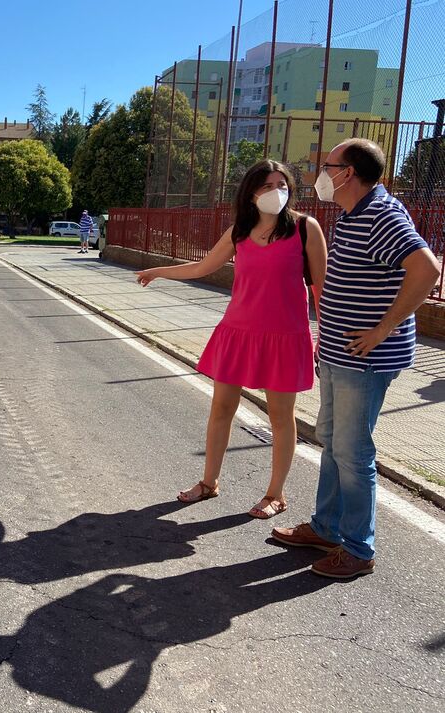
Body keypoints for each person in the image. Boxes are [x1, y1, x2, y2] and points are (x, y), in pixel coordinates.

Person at [273, 139, 441, 579]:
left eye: (326, 165)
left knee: (352, 450)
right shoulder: (353, 213)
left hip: (364, 359)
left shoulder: (382, 215)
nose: (319, 172)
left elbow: (427, 269)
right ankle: (327, 528)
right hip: (338, 352)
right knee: (331, 439)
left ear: (347, 173)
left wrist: (383, 329)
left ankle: (358, 549)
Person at [137, 160, 328, 519]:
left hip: (286, 337)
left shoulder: (305, 228)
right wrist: (157, 271)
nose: (277, 192)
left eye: (282, 184)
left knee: (280, 418)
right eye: (267, 185)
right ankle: (209, 483)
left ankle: (276, 494)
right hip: (238, 332)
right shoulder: (240, 231)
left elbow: (322, 287)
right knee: (221, 409)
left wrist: (325, 336)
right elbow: (201, 267)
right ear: (251, 192)